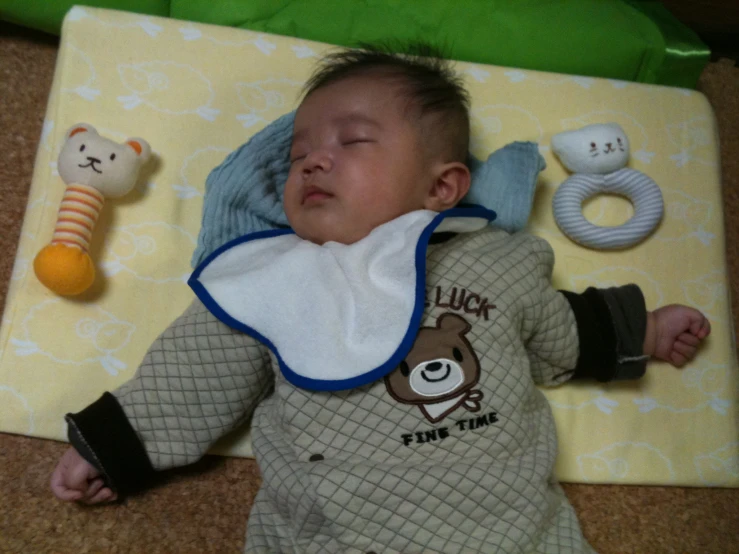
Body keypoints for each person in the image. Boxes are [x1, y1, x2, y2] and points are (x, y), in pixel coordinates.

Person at [51, 44, 711, 553]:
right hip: (338, 533)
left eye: (352, 141)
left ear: (443, 187)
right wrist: (114, 449)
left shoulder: (489, 259)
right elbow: (193, 376)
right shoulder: (271, 280)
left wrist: (640, 331)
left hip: (513, 532)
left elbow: (554, 326)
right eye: (299, 154)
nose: (311, 161)